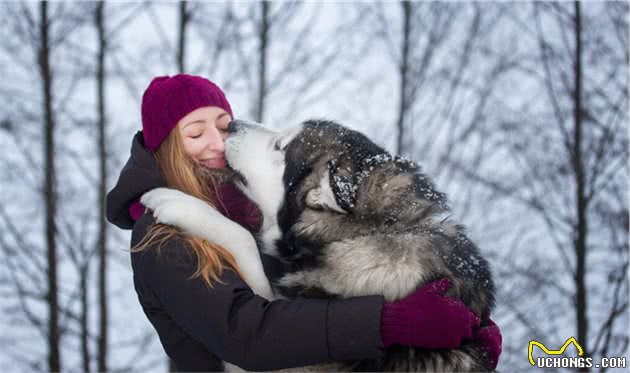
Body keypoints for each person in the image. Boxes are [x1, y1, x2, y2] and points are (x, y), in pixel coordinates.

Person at [106, 74, 501, 372]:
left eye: (224, 126)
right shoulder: (161, 230)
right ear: (168, 150)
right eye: (195, 133)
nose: (218, 141)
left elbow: (318, 313)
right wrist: (391, 322)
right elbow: (248, 333)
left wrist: (461, 349)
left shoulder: (253, 215)